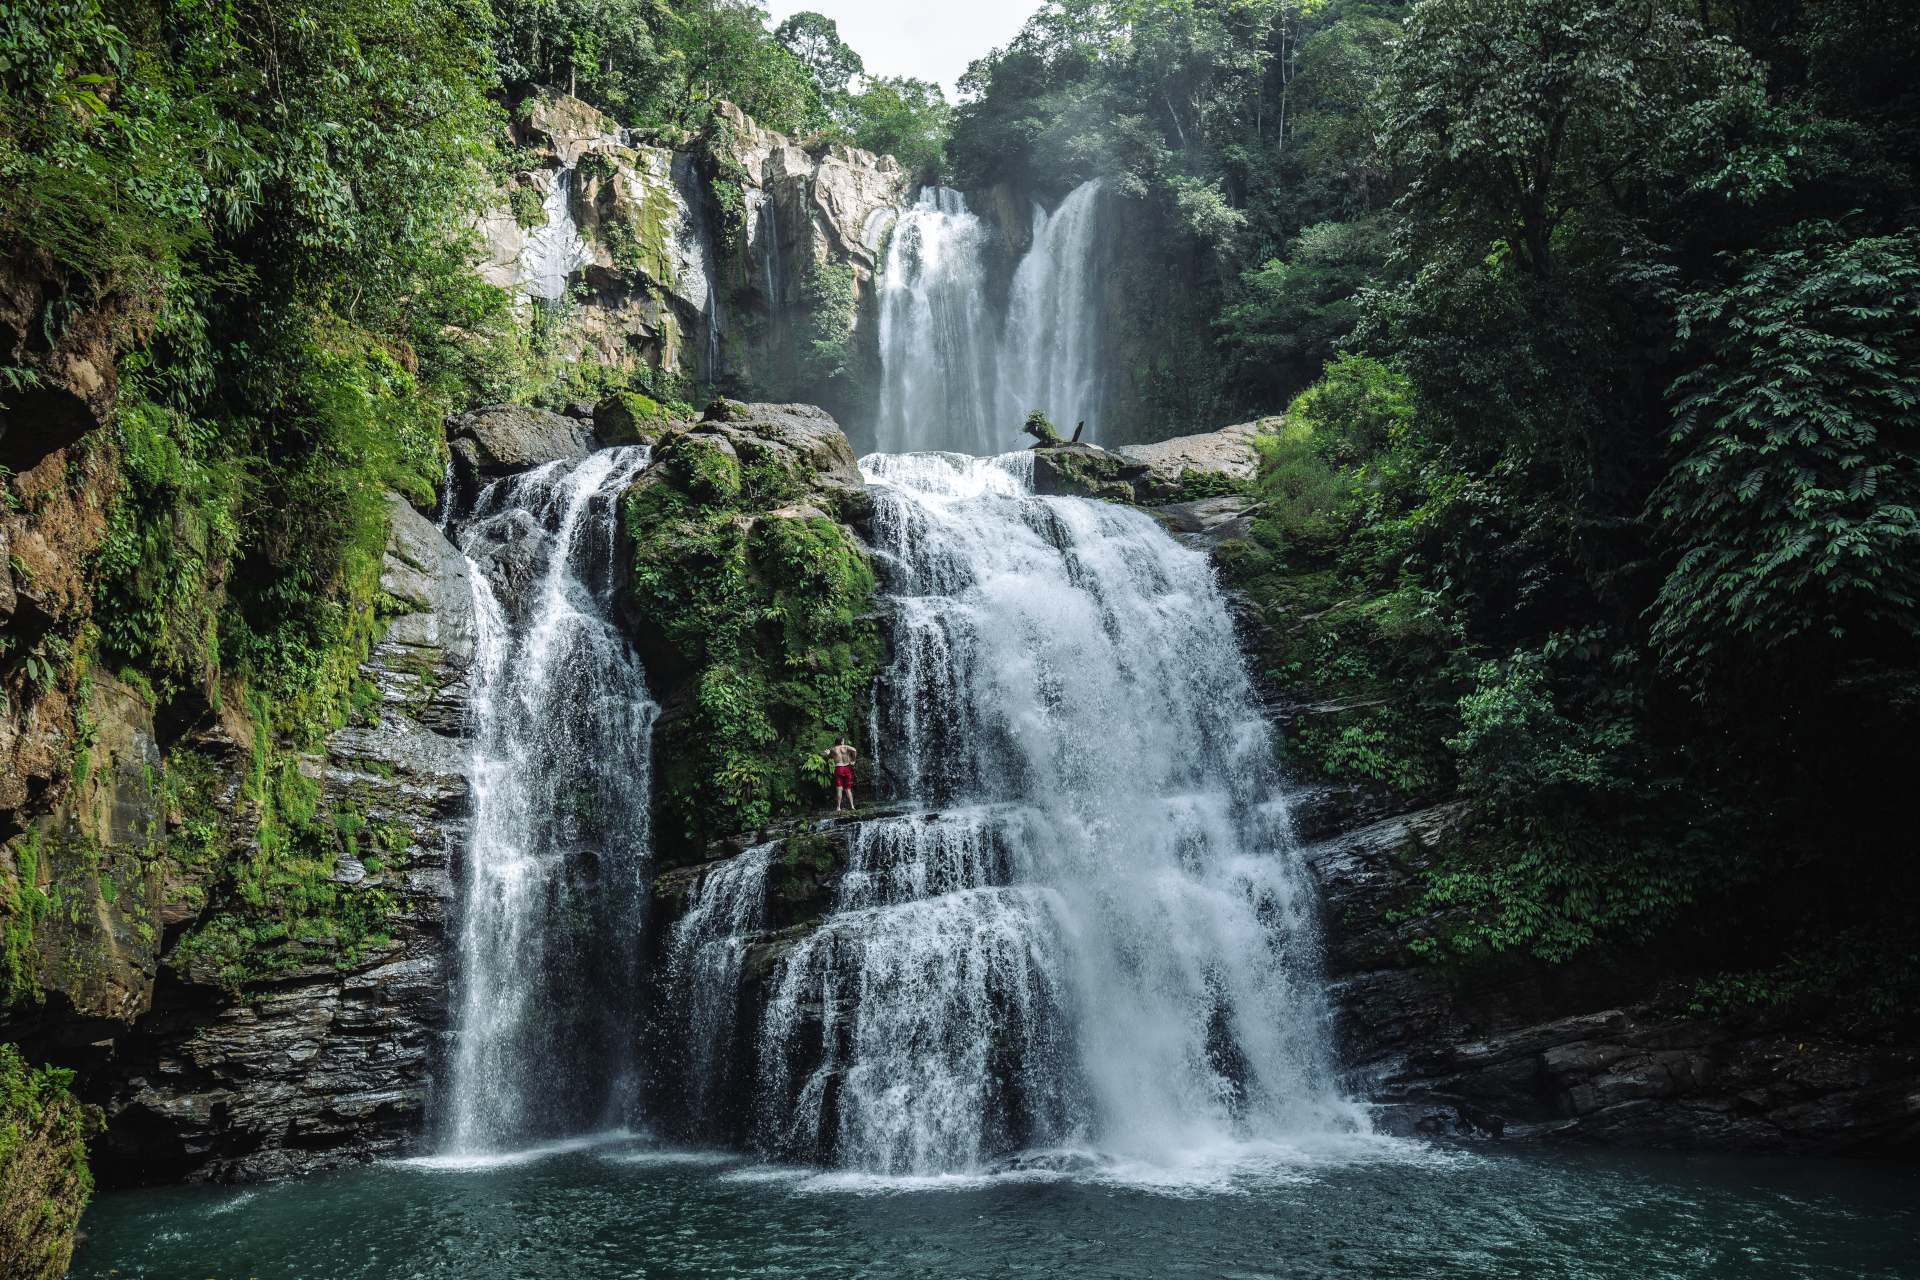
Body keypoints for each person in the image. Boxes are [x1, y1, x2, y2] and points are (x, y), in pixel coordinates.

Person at [828, 735, 858, 812]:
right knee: (848, 789)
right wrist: (853, 760)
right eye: (843, 740)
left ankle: (838, 807)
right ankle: (852, 806)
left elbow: (827, 755)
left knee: (839, 789)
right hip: (847, 768)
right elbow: (854, 750)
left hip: (838, 768)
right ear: (841, 741)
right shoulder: (846, 747)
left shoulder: (833, 749)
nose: (844, 741)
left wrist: (827, 753)